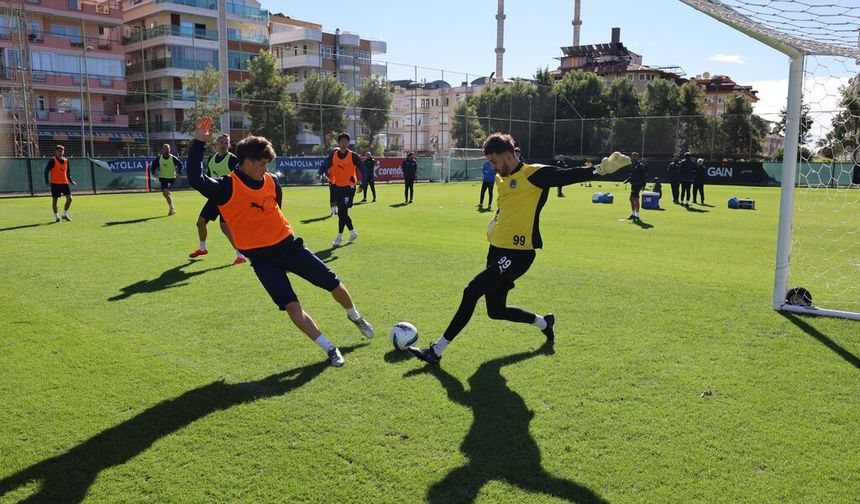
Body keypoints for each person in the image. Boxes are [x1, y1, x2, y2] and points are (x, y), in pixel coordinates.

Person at [407, 133, 630, 364]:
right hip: (496, 250)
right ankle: (544, 323)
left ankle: (436, 351)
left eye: (494, 161)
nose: (492, 167)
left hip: (518, 254)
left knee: (472, 290)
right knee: (495, 311)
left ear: (507, 156)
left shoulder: (533, 174)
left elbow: (566, 175)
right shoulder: (500, 177)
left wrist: (602, 168)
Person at [187, 117, 374, 367]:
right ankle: (330, 348)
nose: (266, 169)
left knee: (333, 282)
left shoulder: (272, 181)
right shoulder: (226, 187)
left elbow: (276, 207)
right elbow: (195, 178)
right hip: (262, 259)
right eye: (262, 164)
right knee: (291, 306)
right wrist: (199, 142)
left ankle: (355, 316)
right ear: (247, 162)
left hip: (288, 246)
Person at [188, 133, 247, 265]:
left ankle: (240, 255)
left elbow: (240, 178)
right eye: (221, 142)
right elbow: (208, 179)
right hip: (215, 197)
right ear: (217, 144)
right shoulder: (211, 159)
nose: (224, 144)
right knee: (200, 222)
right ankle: (202, 249)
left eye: (226, 142)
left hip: (228, 198)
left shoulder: (233, 160)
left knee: (224, 227)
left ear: (229, 145)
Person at [320, 132, 362, 246]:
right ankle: (352, 232)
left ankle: (339, 236)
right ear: (339, 142)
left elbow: (363, 168)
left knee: (342, 210)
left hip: (349, 187)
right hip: (337, 186)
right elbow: (325, 165)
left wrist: (362, 184)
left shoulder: (353, 156)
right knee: (342, 213)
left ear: (348, 143)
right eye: (342, 141)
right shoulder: (333, 156)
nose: (344, 143)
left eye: (346, 141)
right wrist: (320, 173)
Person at [44, 145, 76, 222]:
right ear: (56, 152)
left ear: (63, 152)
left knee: (70, 199)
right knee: (55, 201)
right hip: (55, 184)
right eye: (58, 151)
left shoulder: (66, 161)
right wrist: (47, 181)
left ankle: (64, 214)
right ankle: (56, 217)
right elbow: (46, 171)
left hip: (64, 183)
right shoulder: (52, 160)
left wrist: (71, 181)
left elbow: (68, 173)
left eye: (62, 151)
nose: (60, 152)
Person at [151, 143, 184, 215]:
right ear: (162, 150)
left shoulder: (173, 158)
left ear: (169, 150)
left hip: (170, 178)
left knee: (165, 192)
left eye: (167, 148)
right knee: (166, 194)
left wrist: (179, 172)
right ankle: (172, 209)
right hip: (163, 178)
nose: (166, 150)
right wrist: (153, 172)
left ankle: (171, 208)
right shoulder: (160, 158)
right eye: (164, 148)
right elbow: (154, 164)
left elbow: (180, 165)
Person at [625, 152, 647, 221]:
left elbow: (644, 176)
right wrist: (627, 180)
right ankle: (633, 214)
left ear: (637, 157)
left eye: (634, 156)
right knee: (631, 199)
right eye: (632, 156)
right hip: (633, 184)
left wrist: (643, 185)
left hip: (638, 184)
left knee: (635, 199)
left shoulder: (641, 165)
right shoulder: (632, 165)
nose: (632, 157)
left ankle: (637, 215)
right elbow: (632, 176)